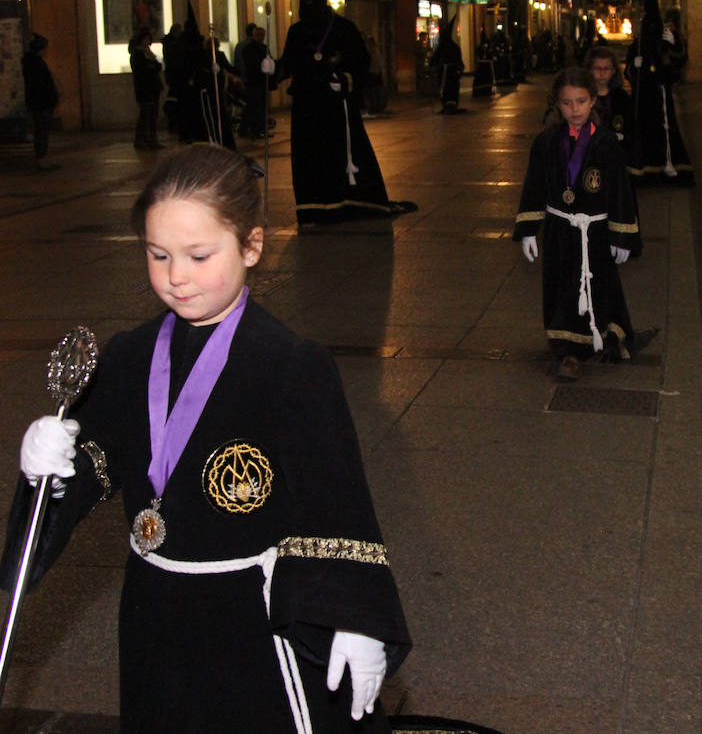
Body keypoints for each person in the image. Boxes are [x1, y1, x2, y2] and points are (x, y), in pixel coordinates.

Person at [0, 143, 411, 732]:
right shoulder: (130, 355)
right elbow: (101, 454)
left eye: (198, 255)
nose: (176, 277)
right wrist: (53, 466)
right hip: (153, 606)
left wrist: (354, 615)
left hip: (250, 619)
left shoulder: (290, 366)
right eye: (158, 254)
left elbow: (334, 499)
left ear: (251, 246)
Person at [265, 0, 416, 226]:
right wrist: (273, 69)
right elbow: (289, 65)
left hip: (336, 107)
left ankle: (347, 201)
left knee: (340, 155)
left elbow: (360, 62)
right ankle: (315, 207)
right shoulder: (297, 31)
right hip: (306, 108)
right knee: (310, 159)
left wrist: (345, 79)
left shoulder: (343, 28)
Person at [513, 67, 650, 381]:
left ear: (592, 102)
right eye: (566, 103)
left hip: (596, 232)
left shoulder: (606, 144)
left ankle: (600, 336)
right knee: (561, 288)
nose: (574, 110)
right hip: (560, 231)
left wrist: (622, 235)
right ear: (556, 105)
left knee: (598, 286)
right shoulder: (546, 143)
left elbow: (619, 190)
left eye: (580, 101)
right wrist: (529, 228)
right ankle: (567, 351)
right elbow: (534, 185)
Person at [624, 0, 693, 185]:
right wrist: (634, 67)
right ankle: (643, 166)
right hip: (643, 96)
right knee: (643, 130)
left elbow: (677, 63)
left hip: (661, 94)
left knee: (665, 129)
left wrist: (674, 46)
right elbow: (629, 73)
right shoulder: (636, 46)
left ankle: (671, 165)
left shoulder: (664, 43)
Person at [585, 45, 643, 257]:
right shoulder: (584, 97)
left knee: (619, 199)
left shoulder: (620, 97)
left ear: (613, 71)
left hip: (617, 159)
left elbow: (631, 126)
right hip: (590, 159)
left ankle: (623, 240)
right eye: (597, 68)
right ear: (590, 70)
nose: (602, 72)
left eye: (606, 68)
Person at [21, 32, 60, 171]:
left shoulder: (30, 63)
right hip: (42, 103)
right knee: (41, 130)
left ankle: (42, 157)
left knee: (41, 130)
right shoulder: (36, 64)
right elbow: (42, 85)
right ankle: (41, 157)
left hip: (39, 102)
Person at [129, 26, 164, 150]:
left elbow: (158, 66)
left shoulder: (148, 53)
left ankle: (152, 139)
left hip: (153, 87)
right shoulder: (137, 54)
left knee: (153, 115)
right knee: (145, 115)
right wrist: (151, 64)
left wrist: (152, 61)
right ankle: (141, 139)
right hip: (144, 88)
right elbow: (142, 70)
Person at [429, 17, 464, 113]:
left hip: (447, 72)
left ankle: (449, 104)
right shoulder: (451, 47)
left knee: (449, 87)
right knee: (449, 87)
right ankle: (450, 104)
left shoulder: (443, 46)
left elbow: (435, 58)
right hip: (448, 72)